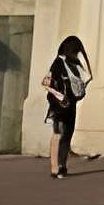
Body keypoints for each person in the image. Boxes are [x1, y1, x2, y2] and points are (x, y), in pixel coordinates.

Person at [41, 35, 91, 179]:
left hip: (70, 104)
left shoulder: (74, 65)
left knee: (67, 135)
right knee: (58, 134)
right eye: (77, 51)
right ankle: (55, 168)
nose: (78, 54)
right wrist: (57, 97)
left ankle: (62, 165)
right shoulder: (58, 63)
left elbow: (87, 77)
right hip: (59, 104)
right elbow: (49, 83)